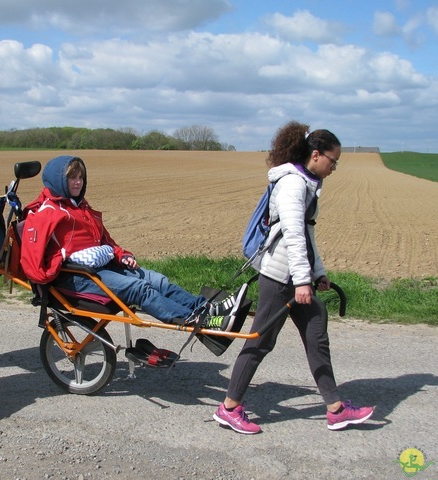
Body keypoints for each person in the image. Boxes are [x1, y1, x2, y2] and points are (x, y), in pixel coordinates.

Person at [213, 121, 373, 434]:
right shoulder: (292, 184)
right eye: (333, 161)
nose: (334, 168)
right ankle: (229, 408)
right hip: (279, 277)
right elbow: (293, 235)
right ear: (316, 155)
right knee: (260, 342)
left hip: (295, 275)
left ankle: (335, 408)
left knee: (316, 329)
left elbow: (307, 233)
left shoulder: (307, 183)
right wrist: (302, 281)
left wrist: (318, 273)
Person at [20, 155, 236, 325]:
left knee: (157, 280)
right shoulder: (46, 213)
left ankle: (204, 308)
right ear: (59, 179)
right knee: (140, 288)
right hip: (76, 276)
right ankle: (193, 319)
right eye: (72, 177)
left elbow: (105, 240)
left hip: (101, 268)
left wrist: (122, 255)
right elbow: (32, 264)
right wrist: (61, 261)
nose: (77, 182)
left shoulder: (81, 207)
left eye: (80, 177)